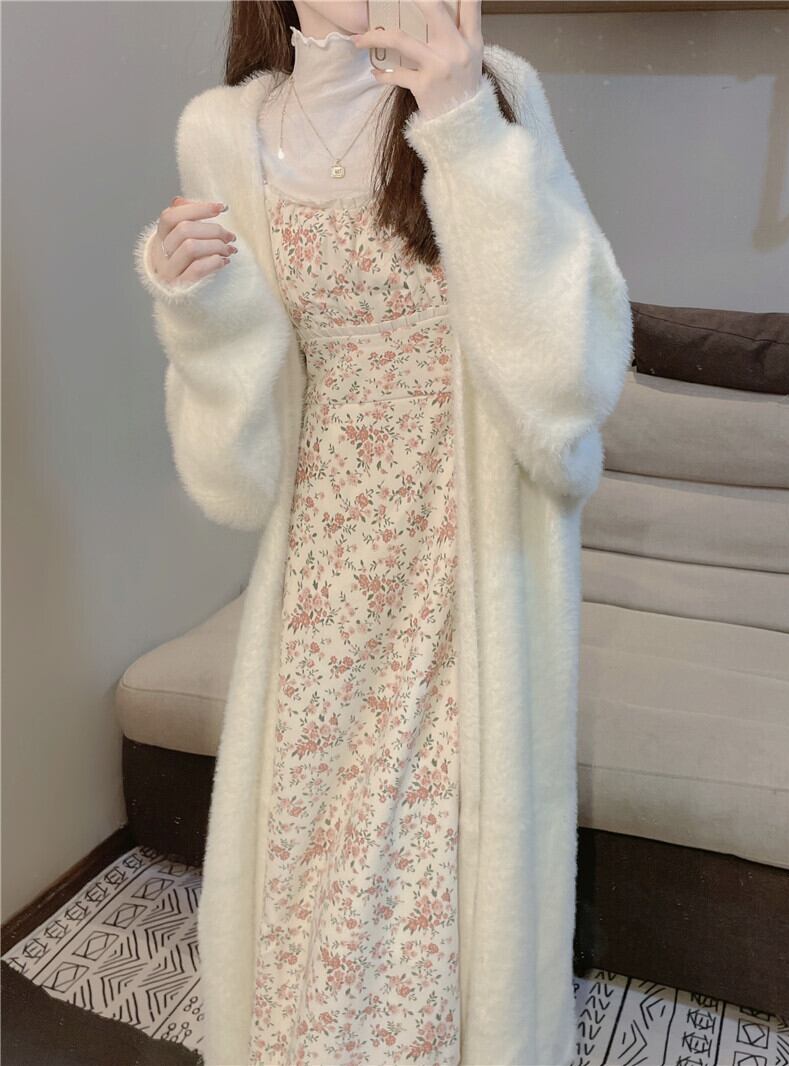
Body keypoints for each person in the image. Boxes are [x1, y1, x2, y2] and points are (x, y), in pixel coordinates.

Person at [133, 2, 634, 1064]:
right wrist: (199, 317)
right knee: (307, 878)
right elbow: (236, 477)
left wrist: (460, 123)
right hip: (325, 575)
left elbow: (571, 385)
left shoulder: (493, 89)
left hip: (471, 561)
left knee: (436, 901)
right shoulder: (222, 134)